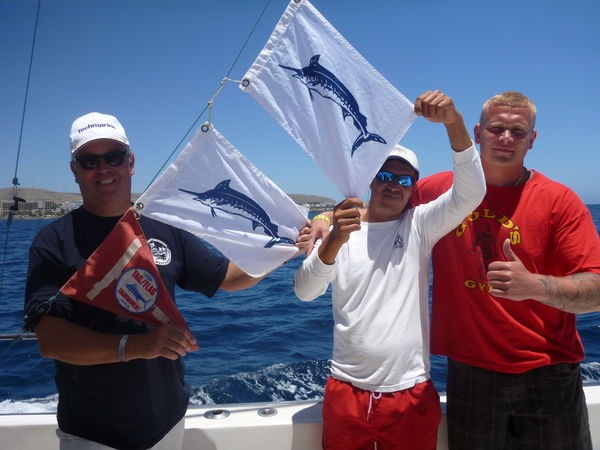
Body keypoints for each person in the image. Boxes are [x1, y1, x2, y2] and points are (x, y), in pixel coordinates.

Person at [312, 91, 600, 449]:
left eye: (517, 131)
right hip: (470, 371)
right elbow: (380, 205)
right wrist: (324, 218)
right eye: (496, 129)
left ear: (532, 139)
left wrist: (535, 287)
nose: (505, 138)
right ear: (477, 133)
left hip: (548, 369)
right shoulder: (437, 190)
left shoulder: (560, 201)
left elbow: (596, 291)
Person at [23, 112, 312, 450]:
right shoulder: (54, 241)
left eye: (113, 157)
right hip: (93, 434)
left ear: (130, 163)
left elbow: (228, 278)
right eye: (89, 160)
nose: (103, 169)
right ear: (75, 170)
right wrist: (140, 346)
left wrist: (288, 247)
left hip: (168, 423)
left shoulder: (164, 227)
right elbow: (51, 340)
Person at [294, 90, 486, 450]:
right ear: (370, 179)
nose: (393, 185)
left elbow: (471, 191)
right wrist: (334, 239)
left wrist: (454, 123)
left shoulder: (420, 225)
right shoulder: (340, 229)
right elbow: (305, 291)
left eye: (404, 180)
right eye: (384, 175)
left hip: (410, 391)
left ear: (413, 188)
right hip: (347, 390)